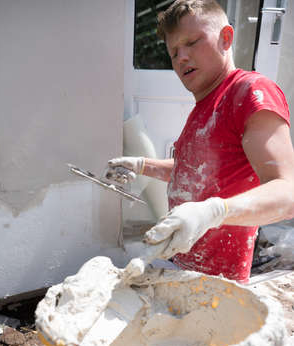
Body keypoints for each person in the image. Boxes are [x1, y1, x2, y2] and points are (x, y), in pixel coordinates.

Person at [106, 0, 294, 283]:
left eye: (192, 42)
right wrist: (142, 165)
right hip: (183, 265)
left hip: (218, 284)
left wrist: (214, 211)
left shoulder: (250, 91)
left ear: (226, 38)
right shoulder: (205, 105)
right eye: (174, 52)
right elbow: (197, 173)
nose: (181, 57)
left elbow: (287, 193)